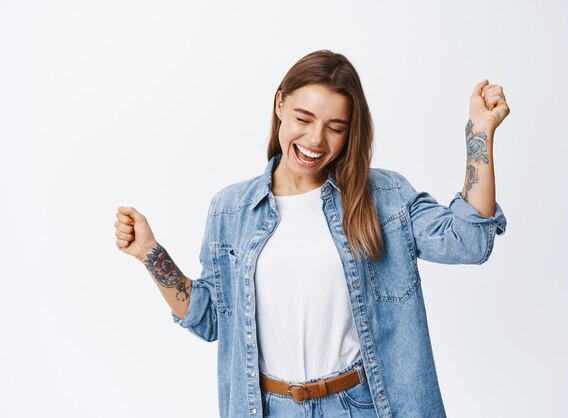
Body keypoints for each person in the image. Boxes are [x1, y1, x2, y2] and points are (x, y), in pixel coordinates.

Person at [114, 49, 510, 418]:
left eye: (335, 127)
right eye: (304, 119)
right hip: (268, 406)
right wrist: (150, 253)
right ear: (279, 105)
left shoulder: (383, 199)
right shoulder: (230, 210)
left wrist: (480, 131)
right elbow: (210, 319)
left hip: (362, 404)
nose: (315, 140)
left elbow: (469, 241)